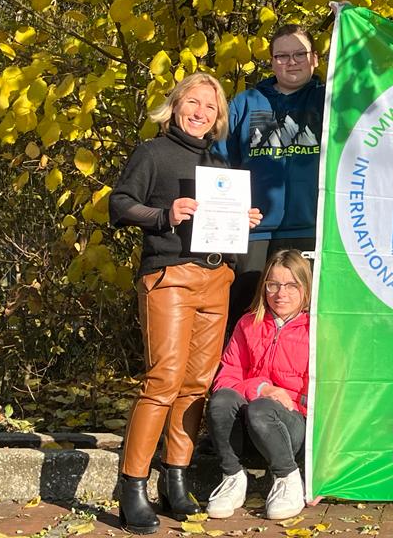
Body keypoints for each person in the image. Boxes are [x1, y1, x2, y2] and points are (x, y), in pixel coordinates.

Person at [110, 73, 263, 534]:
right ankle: (132, 485)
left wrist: (243, 221)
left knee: (197, 384)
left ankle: (176, 478)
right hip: (170, 276)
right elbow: (119, 205)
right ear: (175, 104)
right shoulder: (152, 152)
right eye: (193, 102)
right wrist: (164, 215)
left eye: (210, 108)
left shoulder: (219, 160)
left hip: (217, 277)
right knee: (164, 379)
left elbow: (220, 219)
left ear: (218, 118)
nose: (200, 112)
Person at [215, 25, 325, 333]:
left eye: (299, 54)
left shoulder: (330, 102)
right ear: (272, 61)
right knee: (244, 315)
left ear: (314, 59)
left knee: (307, 320)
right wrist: (229, 212)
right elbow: (220, 162)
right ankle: (236, 381)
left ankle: (299, 383)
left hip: (314, 229)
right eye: (282, 56)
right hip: (254, 231)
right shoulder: (245, 103)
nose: (291, 62)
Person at [204, 249, 312, 521]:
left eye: (291, 285)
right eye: (273, 285)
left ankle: (288, 478)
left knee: (263, 409)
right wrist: (263, 388)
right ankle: (232, 477)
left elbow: (332, 395)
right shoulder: (248, 323)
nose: (281, 293)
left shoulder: (318, 329)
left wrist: (322, 473)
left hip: (293, 428)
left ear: (305, 288)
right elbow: (225, 379)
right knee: (221, 401)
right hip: (248, 425)